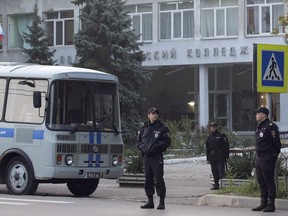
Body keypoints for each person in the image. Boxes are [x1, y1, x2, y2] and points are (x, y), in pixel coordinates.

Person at [137, 107, 171, 210]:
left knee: (159, 179)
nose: (155, 115)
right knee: (148, 179)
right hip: (146, 157)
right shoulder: (143, 128)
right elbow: (138, 142)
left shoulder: (162, 128)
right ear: (148, 115)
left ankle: (161, 202)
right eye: (153, 113)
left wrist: (156, 147)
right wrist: (143, 149)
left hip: (156, 157)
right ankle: (150, 201)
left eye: (156, 113)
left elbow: (167, 141)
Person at [252, 107, 281, 212]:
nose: (256, 115)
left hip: (267, 157)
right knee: (261, 181)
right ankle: (263, 203)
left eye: (258, 113)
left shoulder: (271, 126)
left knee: (269, 181)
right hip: (259, 157)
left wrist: (273, 155)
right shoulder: (260, 126)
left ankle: (271, 204)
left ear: (264, 115)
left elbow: (277, 144)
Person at [206, 122, 229, 190]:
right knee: (214, 172)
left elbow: (226, 147)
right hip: (212, 157)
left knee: (221, 171)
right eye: (211, 127)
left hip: (220, 156)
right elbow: (207, 148)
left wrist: (226, 156)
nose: (212, 129)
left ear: (216, 127)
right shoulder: (209, 137)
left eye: (213, 127)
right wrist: (208, 158)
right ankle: (216, 185)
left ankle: (223, 185)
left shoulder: (221, 136)